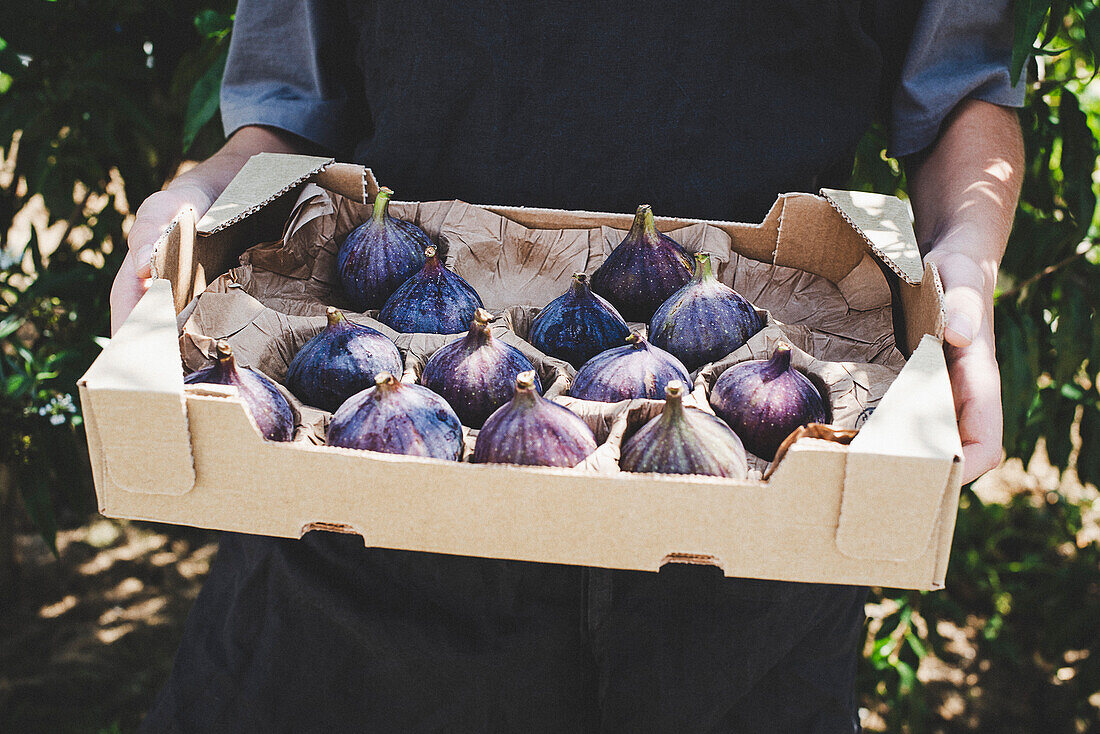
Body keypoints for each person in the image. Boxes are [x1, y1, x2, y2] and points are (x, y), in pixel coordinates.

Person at [114, 2, 1024, 731]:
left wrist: (968, 265)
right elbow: (284, 117)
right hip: (369, 549)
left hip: (745, 559)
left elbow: (957, 102)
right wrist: (197, 198)